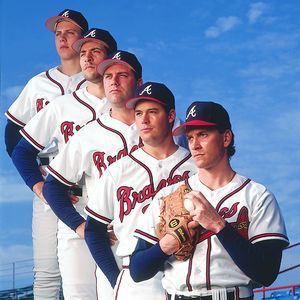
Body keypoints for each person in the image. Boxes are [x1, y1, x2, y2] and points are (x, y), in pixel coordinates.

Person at [130, 101, 289, 300]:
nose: (194, 145)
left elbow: (266, 273)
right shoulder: (167, 196)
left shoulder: (257, 196)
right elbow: (137, 271)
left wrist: (219, 225)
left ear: (226, 138)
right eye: (190, 137)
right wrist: (168, 244)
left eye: (203, 135)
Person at [11, 28, 117, 299]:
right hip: (72, 206)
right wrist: (40, 186)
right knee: (56, 281)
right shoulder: (60, 104)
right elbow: (19, 145)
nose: (88, 58)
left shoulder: (129, 105)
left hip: (121, 215)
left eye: (95, 51)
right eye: (84, 53)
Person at [42, 50, 144, 299]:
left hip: (161, 241)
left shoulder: (162, 126)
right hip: (113, 242)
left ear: (139, 83)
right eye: (108, 75)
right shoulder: (88, 135)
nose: (113, 81)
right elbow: (53, 187)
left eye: (122, 75)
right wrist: (80, 226)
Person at [84, 81, 197, 300]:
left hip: (189, 271)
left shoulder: (195, 167)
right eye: (138, 113)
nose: (143, 120)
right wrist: (114, 277)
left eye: (152, 112)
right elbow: (93, 230)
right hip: (137, 280)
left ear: (171, 115)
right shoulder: (118, 170)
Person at [4, 9, 88, 299]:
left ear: (83, 39)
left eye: (70, 32)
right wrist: (35, 181)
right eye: (58, 34)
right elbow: (12, 133)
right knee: (46, 272)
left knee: (92, 270)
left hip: (88, 184)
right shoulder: (39, 83)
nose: (63, 38)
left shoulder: (97, 84)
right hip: (49, 179)